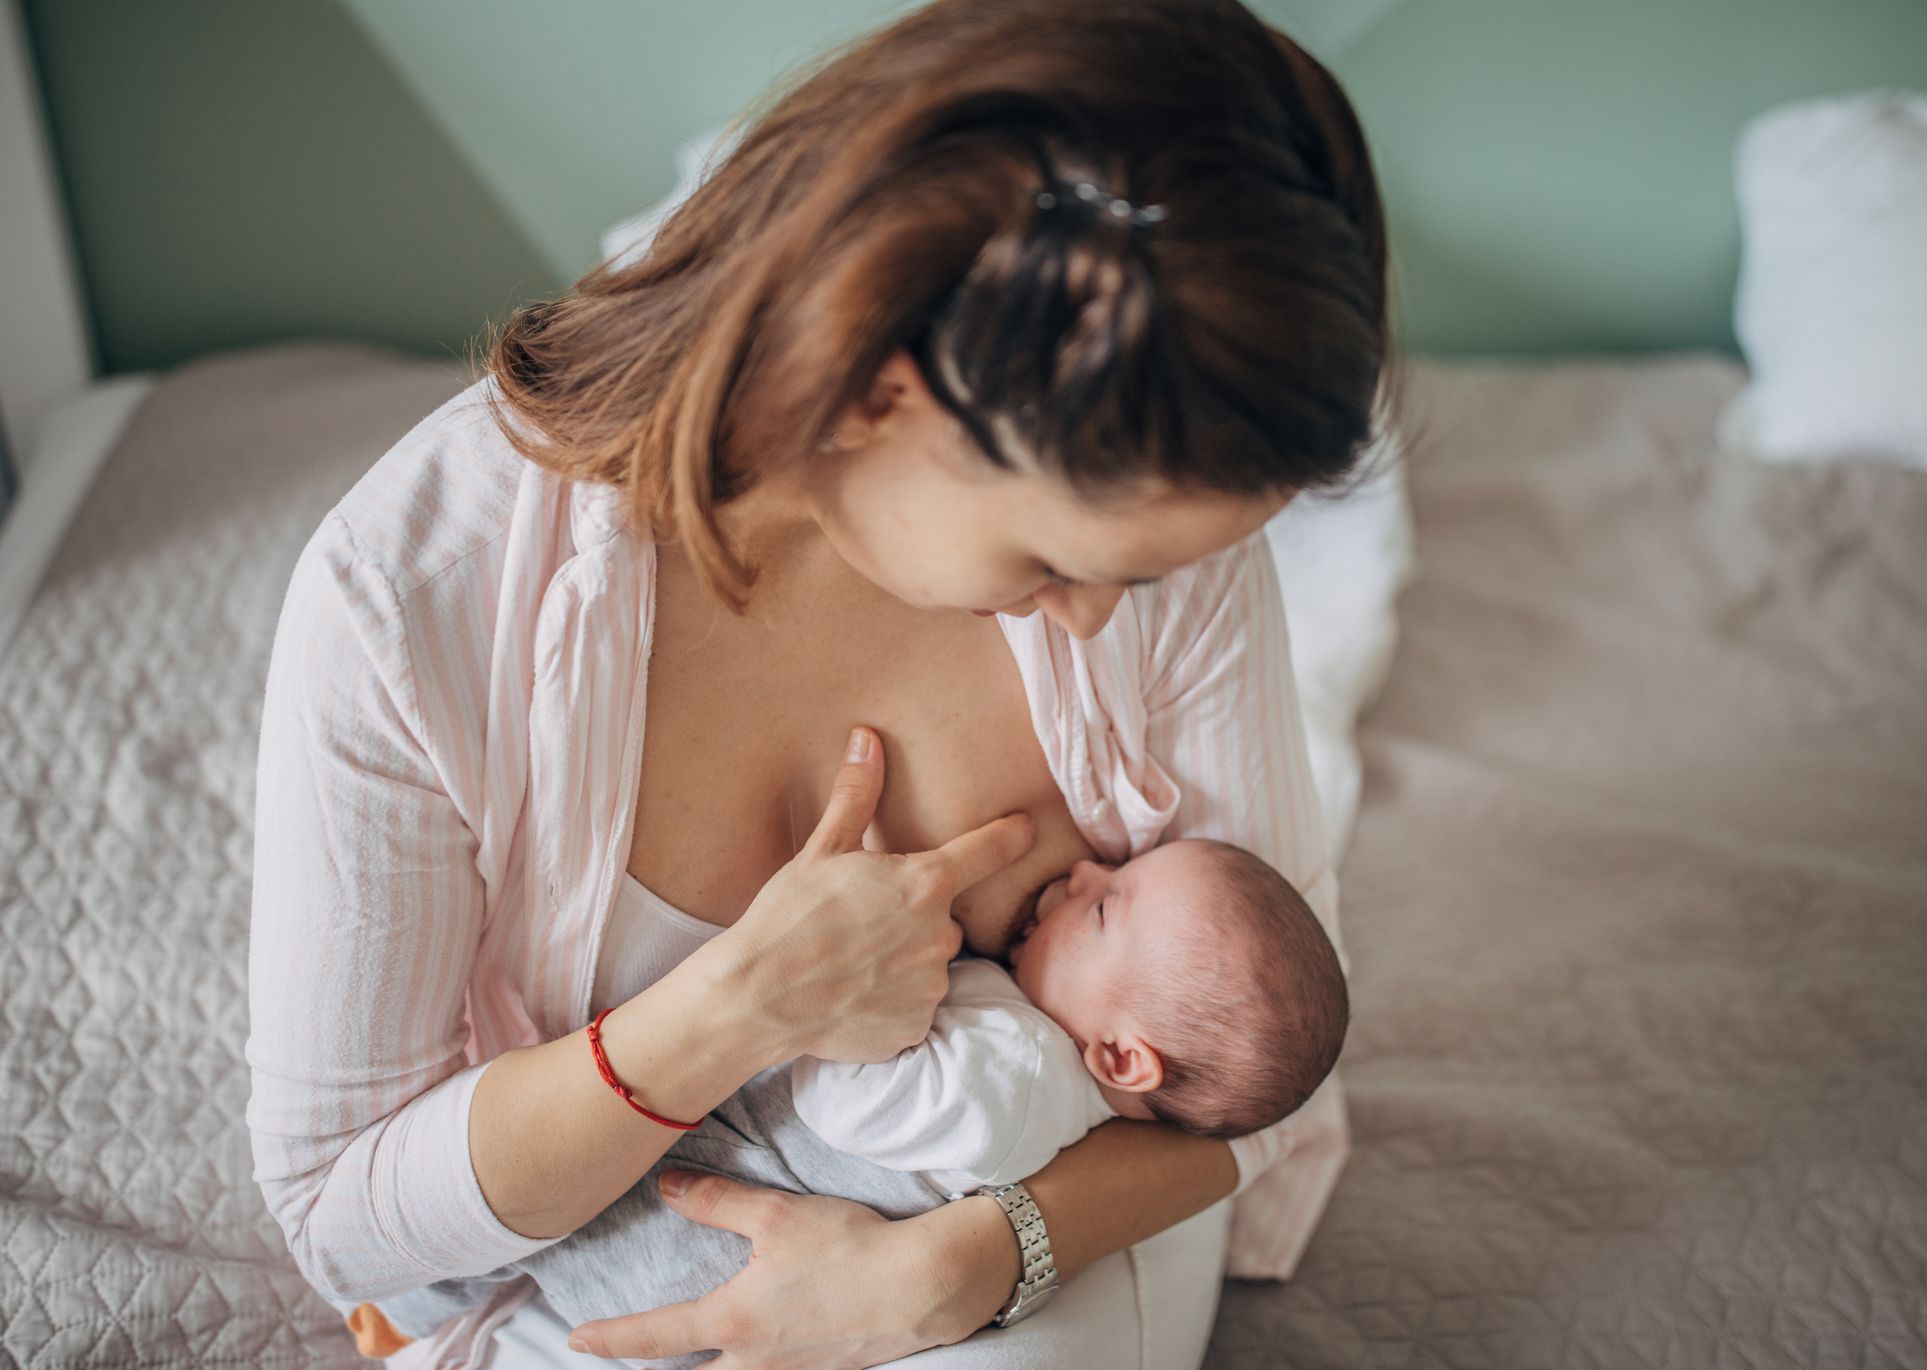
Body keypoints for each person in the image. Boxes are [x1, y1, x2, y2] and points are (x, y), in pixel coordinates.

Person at [243, 0, 1401, 1365]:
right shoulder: (408, 602)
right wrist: (737, 1004)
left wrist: (958, 1265)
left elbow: (1251, 1086)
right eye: (1052, 557)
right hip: (608, 1241)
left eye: (1139, 576)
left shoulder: (1156, 530)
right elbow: (343, 1218)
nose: (1098, 617)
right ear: (868, 388)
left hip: (1042, 1216)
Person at [356, 839, 1352, 1365]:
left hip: (716, 1224)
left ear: (1123, 1054)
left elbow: (844, 1108)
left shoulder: (1007, 1069)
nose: (1086, 867)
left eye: (1104, 905)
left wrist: (845, 995)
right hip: (731, 1253)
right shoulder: (1042, 1061)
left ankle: (402, 1303)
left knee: (561, 1208)